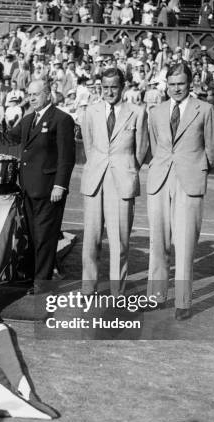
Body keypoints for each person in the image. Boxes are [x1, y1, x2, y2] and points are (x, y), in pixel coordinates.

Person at [146, 63, 214, 320]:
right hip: (159, 181)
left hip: (189, 182)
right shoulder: (155, 112)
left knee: (186, 244)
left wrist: (198, 167)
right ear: (165, 85)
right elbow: (157, 145)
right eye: (171, 84)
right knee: (158, 242)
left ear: (190, 84)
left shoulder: (205, 110)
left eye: (180, 84)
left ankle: (183, 301)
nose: (176, 89)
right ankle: (156, 296)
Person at [79, 68, 149, 297]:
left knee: (120, 241)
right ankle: (88, 288)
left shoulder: (137, 112)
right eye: (105, 87)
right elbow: (88, 146)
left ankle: (117, 291)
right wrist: (98, 165)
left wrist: (126, 169)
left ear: (123, 87)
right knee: (90, 239)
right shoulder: (90, 111)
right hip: (94, 180)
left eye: (114, 87)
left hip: (122, 181)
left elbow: (141, 150)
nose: (109, 91)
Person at [6, 79, 76, 292]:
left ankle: (41, 281)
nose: (31, 98)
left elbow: (67, 157)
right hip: (27, 188)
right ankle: (30, 276)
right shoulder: (28, 120)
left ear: (47, 94)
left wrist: (60, 186)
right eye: (29, 95)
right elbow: (8, 138)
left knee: (45, 237)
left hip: (48, 189)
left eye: (35, 94)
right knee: (31, 236)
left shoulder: (62, 119)